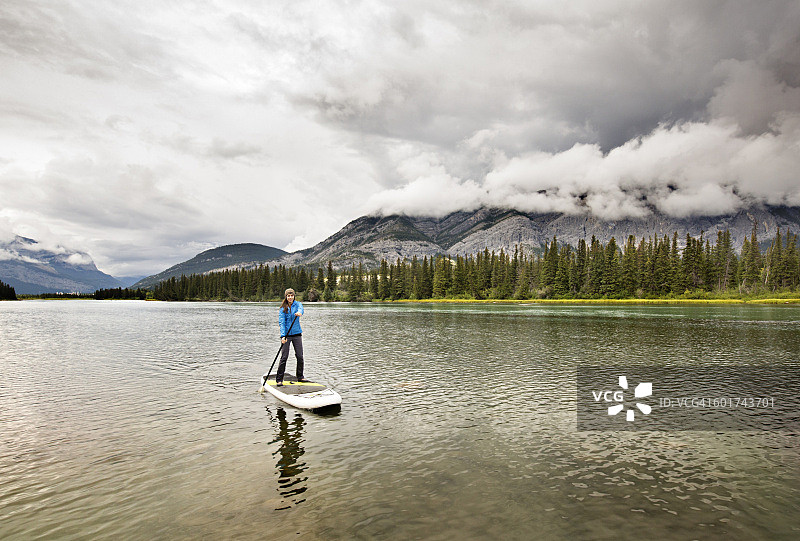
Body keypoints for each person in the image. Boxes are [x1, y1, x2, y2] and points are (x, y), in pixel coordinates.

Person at [276, 288, 305, 386]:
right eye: (288, 296)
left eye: (292, 295)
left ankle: (300, 377)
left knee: (300, 356)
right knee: (284, 357)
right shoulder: (282, 308)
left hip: (297, 334)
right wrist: (283, 336)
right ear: (286, 297)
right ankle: (279, 379)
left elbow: (301, 309)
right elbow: (282, 323)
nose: (290, 297)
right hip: (287, 335)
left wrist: (300, 313)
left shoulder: (298, 304)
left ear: (294, 296)